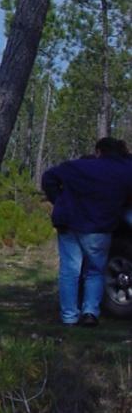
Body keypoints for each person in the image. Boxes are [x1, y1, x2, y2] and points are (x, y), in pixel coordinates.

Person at [41, 138, 132, 327]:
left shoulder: (78, 166)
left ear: (99, 151)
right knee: (95, 271)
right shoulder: (124, 170)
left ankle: (69, 316)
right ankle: (90, 313)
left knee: (69, 271)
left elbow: (48, 177)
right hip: (99, 226)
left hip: (69, 223)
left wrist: (58, 200)